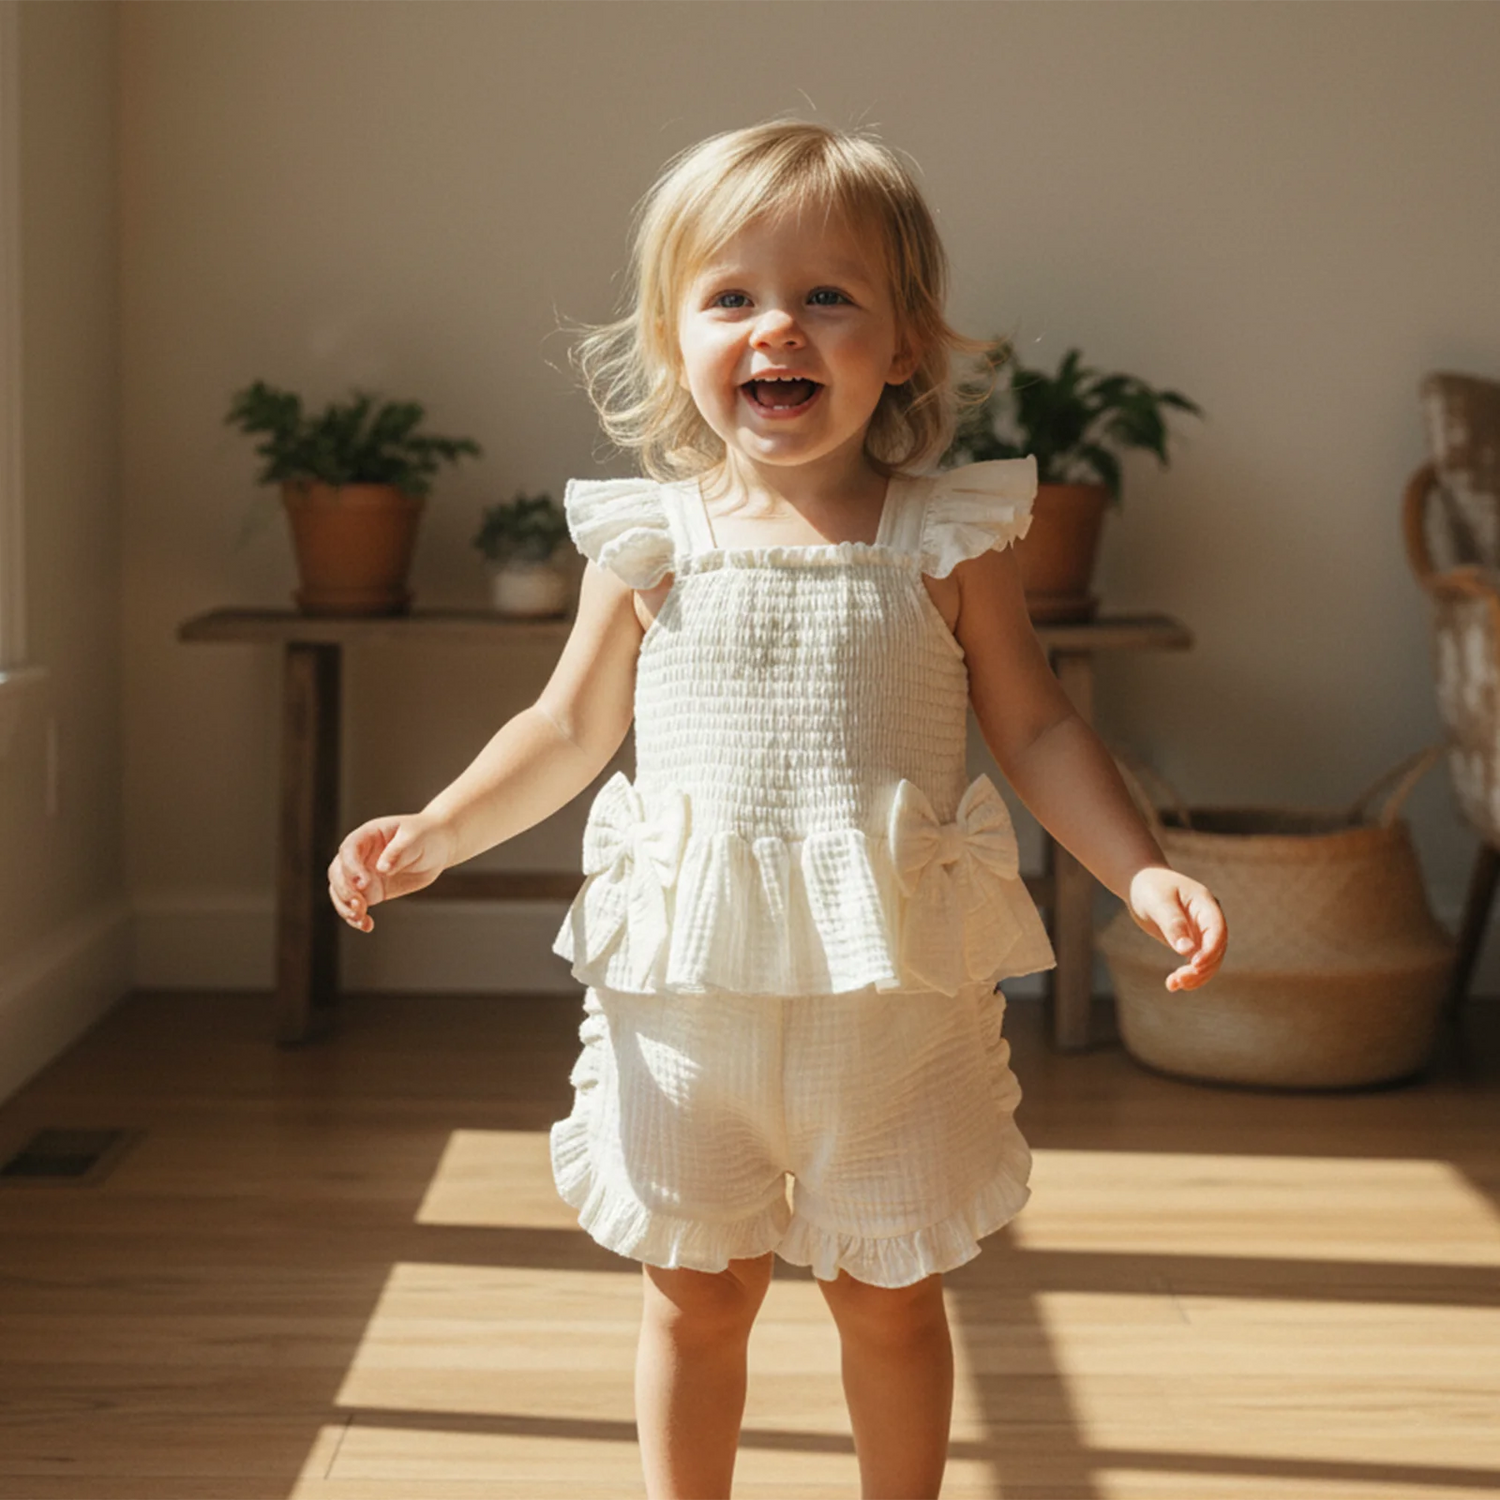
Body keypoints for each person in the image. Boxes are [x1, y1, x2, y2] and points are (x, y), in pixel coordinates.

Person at [326, 119, 1227, 1500]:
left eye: (827, 296)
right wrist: (435, 830)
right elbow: (569, 726)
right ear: (675, 334)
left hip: (892, 1006)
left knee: (888, 1298)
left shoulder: (949, 537)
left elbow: (1037, 725)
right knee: (696, 1290)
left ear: (905, 340)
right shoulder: (650, 542)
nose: (777, 330)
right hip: (692, 1005)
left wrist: (1138, 868)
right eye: (733, 296)